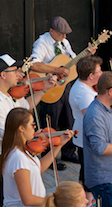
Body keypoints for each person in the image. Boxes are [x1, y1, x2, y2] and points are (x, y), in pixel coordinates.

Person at [0, 54, 57, 207]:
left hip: (15, 153)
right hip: (0, 157)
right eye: (14, 71)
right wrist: (36, 135)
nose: (19, 74)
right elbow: (10, 134)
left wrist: (44, 89)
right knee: (6, 200)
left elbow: (26, 107)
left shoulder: (11, 93)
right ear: (3, 75)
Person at [30, 16, 97, 170]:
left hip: (64, 86)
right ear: (52, 31)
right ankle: (47, 157)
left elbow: (73, 61)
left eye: (66, 34)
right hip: (50, 87)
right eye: (61, 33)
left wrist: (87, 55)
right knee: (50, 122)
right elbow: (33, 65)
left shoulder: (64, 43)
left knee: (69, 118)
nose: (65, 37)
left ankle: (69, 152)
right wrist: (56, 69)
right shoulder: (42, 43)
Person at [0, 107, 74, 207]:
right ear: (21, 128)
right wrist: (55, 202)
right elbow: (28, 200)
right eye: (32, 124)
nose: (35, 128)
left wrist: (59, 145)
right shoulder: (18, 158)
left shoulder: (23, 150)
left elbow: (39, 167)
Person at [69, 56, 103, 206]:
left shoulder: (84, 87)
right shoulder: (84, 94)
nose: (101, 73)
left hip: (84, 136)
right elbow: (93, 119)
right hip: (88, 138)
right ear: (91, 76)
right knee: (90, 172)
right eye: (99, 71)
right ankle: (88, 201)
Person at [83, 71, 112, 207]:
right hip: (103, 181)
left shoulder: (106, 110)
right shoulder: (95, 114)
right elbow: (100, 147)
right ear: (110, 92)